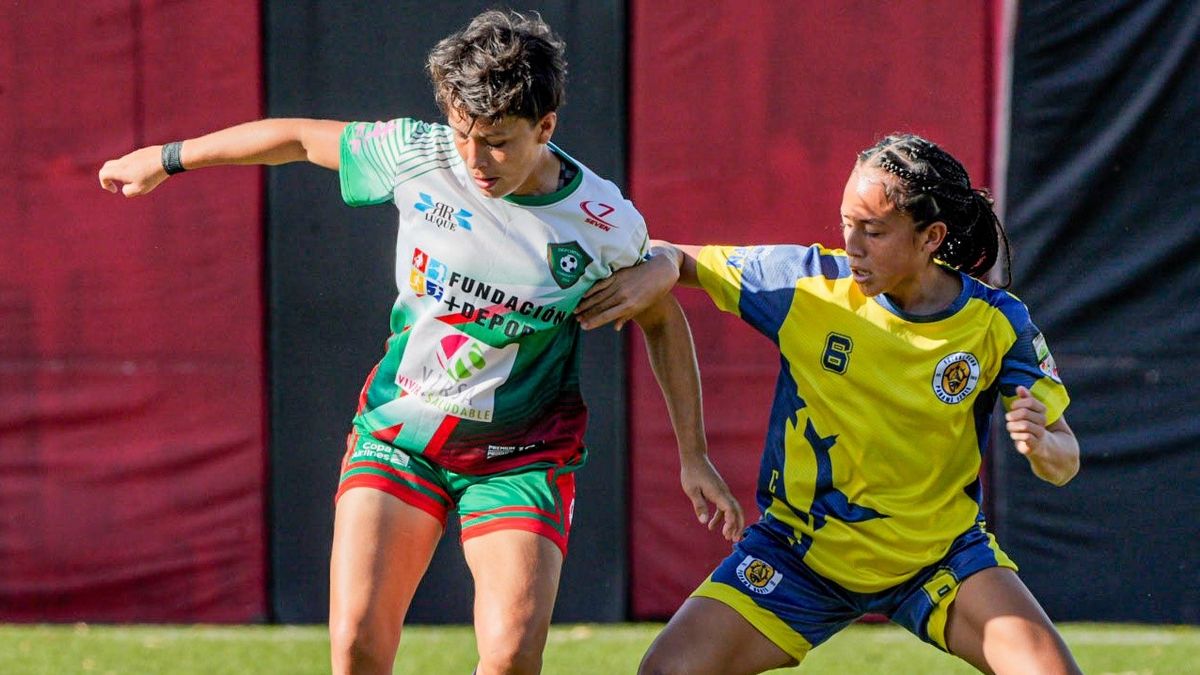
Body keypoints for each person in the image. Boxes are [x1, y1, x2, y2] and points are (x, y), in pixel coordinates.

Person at [98, 10, 743, 675]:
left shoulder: (602, 223)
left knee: (512, 658)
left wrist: (693, 454)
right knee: (357, 646)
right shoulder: (418, 154)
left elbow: (664, 321)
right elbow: (295, 137)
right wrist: (166, 158)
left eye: (497, 142)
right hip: (399, 439)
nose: (475, 160)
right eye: (464, 134)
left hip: (519, 458)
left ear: (545, 127)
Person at [577, 133, 1082, 674]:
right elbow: (674, 256)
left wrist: (1041, 446)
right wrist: (662, 263)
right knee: (665, 672)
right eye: (846, 224)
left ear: (931, 237)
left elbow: (1065, 460)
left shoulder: (997, 322)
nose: (853, 245)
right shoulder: (807, 284)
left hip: (940, 560)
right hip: (798, 556)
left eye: (874, 231)